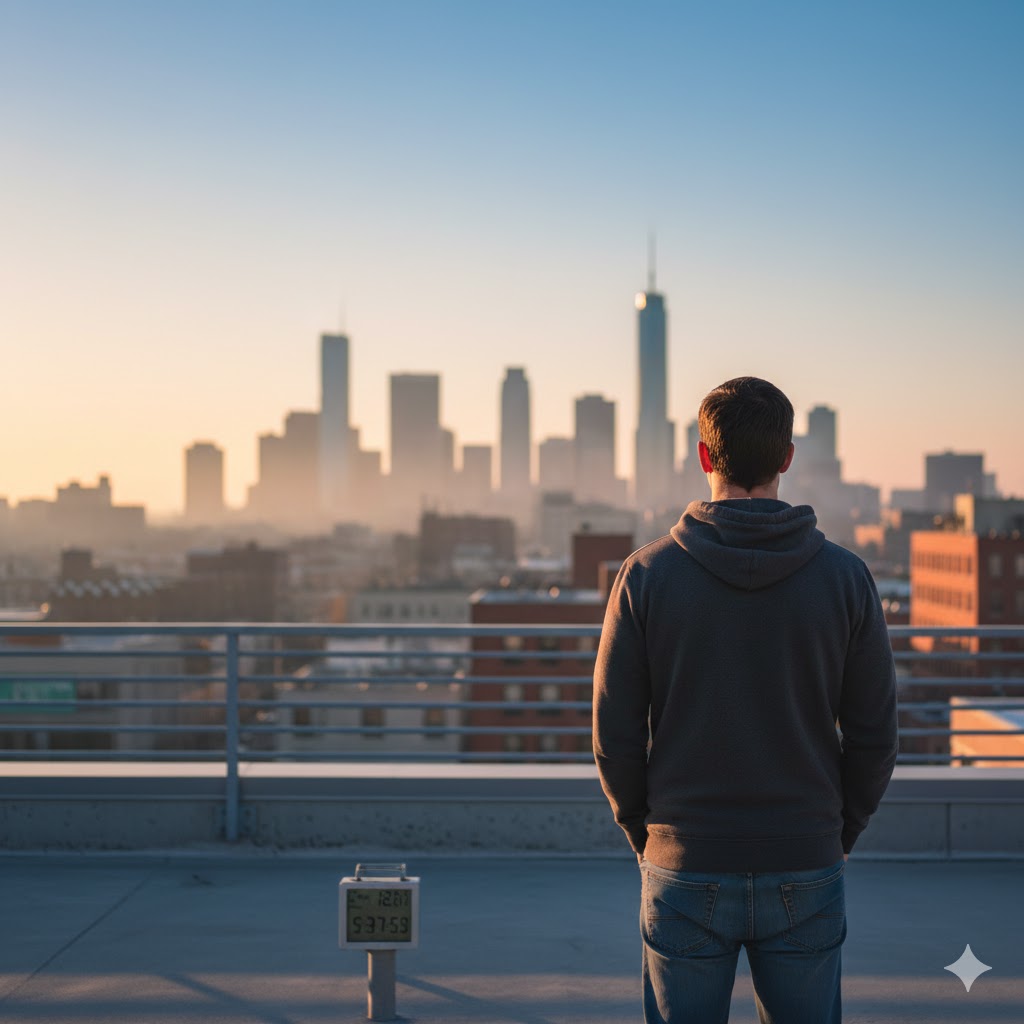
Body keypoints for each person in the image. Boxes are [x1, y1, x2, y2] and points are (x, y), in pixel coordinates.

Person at [593, 376, 899, 1024]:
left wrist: (646, 835)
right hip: (806, 857)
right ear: (787, 457)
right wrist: (839, 831)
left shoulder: (645, 576)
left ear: (704, 455)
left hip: (683, 859)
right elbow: (875, 734)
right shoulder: (846, 578)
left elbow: (613, 735)